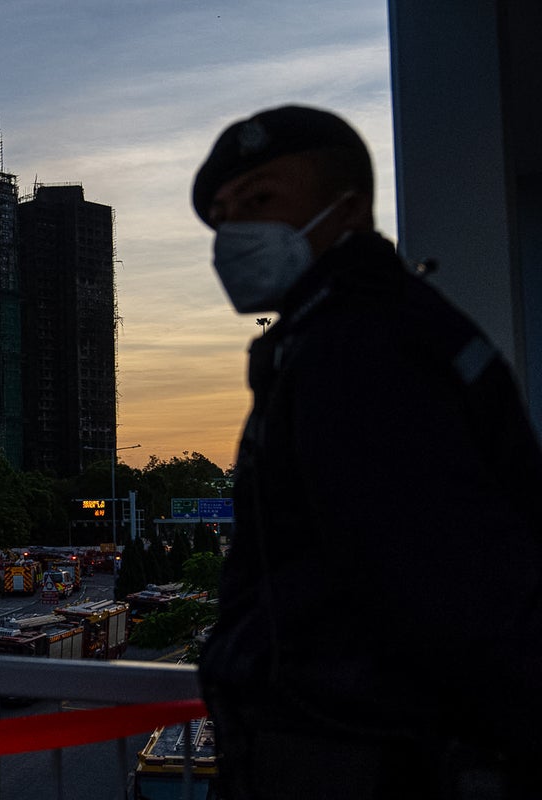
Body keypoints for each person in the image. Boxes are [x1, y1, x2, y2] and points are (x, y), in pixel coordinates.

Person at [191, 105, 542, 799]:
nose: (234, 234)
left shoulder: (360, 349)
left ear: (347, 208)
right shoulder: (352, 331)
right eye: (223, 217)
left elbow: (443, 584)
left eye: (259, 201)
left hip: (362, 761)